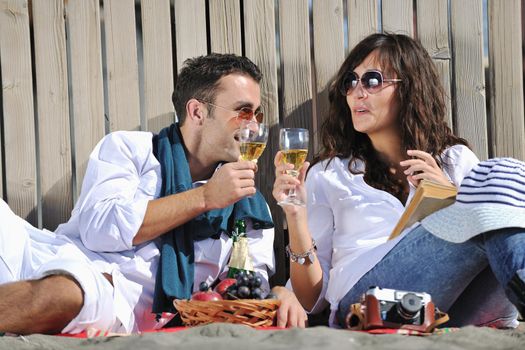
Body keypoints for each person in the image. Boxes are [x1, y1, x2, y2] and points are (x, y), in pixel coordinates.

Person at [0, 53, 307, 335]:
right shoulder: (129, 150)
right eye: (242, 112)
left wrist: (280, 292)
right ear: (197, 111)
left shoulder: (250, 208)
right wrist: (203, 199)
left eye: (257, 114)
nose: (254, 125)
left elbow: (242, 291)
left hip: (104, 294)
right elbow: (99, 230)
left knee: (65, 294)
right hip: (36, 254)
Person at [272, 33, 525, 328]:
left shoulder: (455, 160)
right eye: (350, 82)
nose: (357, 92)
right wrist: (295, 216)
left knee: (505, 173)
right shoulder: (330, 174)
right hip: (368, 304)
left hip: (457, 308)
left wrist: (449, 194)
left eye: (372, 80)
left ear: (410, 88)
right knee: (490, 189)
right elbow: (312, 299)